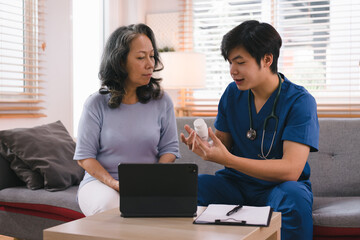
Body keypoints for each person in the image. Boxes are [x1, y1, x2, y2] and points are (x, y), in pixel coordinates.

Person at [181, 20, 319, 240]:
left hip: (279, 188)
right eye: (230, 63)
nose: (232, 71)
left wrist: (229, 159)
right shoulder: (232, 93)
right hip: (235, 185)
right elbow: (222, 143)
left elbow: (291, 169)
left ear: (267, 59)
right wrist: (206, 145)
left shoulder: (300, 102)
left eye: (240, 62)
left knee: (294, 199)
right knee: (191, 187)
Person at [74, 23, 179, 216]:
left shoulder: (162, 101)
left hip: (148, 185)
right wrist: (115, 184)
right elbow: (84, 157)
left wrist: (154, 180)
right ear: (120, 62)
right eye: (141, 57)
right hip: (100, 184)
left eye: (151, 56)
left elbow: (170, 149)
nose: (150, 64)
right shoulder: (95, 103)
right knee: (111, 207)